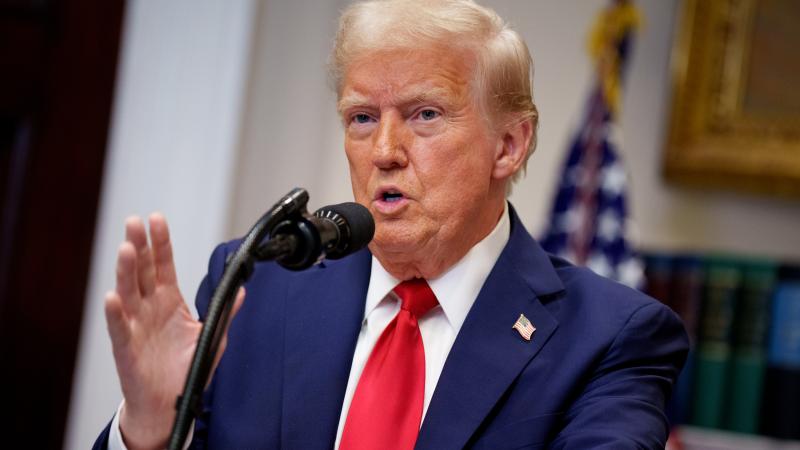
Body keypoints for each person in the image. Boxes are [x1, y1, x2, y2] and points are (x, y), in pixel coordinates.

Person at [95, 0, 688, 449]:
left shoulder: (611, 339)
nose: (384, 150)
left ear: (508, 145)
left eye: (424, 114)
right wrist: (148, 428)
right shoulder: (256, 284)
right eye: (361, 117)